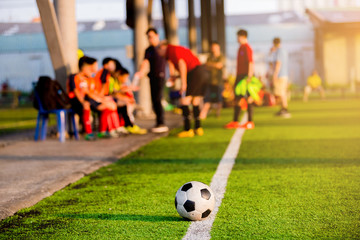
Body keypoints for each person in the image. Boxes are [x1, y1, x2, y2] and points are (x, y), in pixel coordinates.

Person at [158, 41, 209, 138]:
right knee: (195, 101)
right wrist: (175, 77)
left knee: (184, 100)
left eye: (159, 51)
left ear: (163, 47)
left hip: (195, 73)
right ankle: (198, 128)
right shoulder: (173, 51)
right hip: (202, 72)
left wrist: (183, 84)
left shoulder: (172, 50)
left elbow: (182, 64)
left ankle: (187, 129)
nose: (159, 54)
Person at [67, 56, 120, 140]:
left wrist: (102, 99)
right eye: (92, 67)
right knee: (86, 104)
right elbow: (76, 92)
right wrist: (83, 101)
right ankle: (88, 133)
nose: (94, 69)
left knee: (108, 105)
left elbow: (92, 92)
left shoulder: (90, 79)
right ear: (86, 67)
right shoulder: (74, 77)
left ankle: (103, 131)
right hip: (76, 101)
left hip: (89, 100)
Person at [134, 28, 168, 133]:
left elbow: (170, 60)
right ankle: (158, 122)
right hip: (152, 77)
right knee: (154, 100)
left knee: (158, 99)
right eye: (148, 37)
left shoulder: (162, 47)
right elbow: (145, 62)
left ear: (157, 36)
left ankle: (161, 122)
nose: (150, 39)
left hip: (160, 76)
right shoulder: (149, 50)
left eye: (151, 36)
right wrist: (141, 72)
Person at [225, 29, 255, 130]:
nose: (237, 39)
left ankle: (250, 122)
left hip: (246, 76)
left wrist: (249, 77)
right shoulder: (240, 48)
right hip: (239, 76)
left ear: (243, 36)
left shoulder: (247, 48)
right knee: (237, 98)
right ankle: (235, 121)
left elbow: (250, 62)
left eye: (238, 36)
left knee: (249, 98)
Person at [200, 42, 225, 119]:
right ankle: (203, 114)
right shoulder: (209, 57)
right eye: (212, 47)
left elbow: (219, 65)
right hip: (209, 81)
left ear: (218, 48)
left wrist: (210, 65)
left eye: (215, 47)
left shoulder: (221, 57)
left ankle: (218, 113)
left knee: (219, 99)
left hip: (218, 81)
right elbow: (206, 66)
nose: (213, 49)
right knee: (207, 98)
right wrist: (214, 65)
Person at [271, 37, 291, 118]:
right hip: (285, 74)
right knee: (281, 92)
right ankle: (283, 109)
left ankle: (284, 109)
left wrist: (275, 74)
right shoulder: (284, 51)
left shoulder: (279, 51)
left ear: (274, 43)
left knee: (281, 93)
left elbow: (278, 63)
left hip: (280, 75)